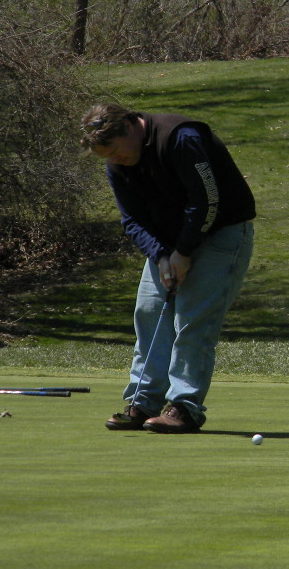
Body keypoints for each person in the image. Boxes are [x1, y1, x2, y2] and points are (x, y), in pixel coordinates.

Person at [80, 103, 256, 434]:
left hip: (222, 232)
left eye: (116, 150)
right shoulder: (117, 163)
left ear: (131, 127)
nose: (115, 160)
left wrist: (184, 252)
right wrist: (162, 256)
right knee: (149, 312)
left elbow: (205, 200)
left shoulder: (180, 137)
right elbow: (131, 219)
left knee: (192, 319)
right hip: (169, 243)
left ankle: (184, 408)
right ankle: (143, 402)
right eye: (107, 156)